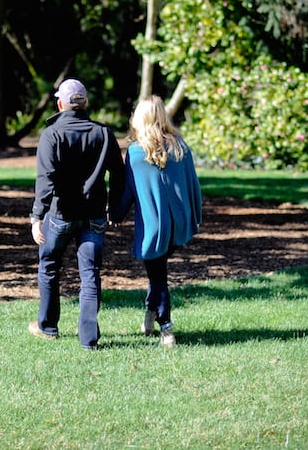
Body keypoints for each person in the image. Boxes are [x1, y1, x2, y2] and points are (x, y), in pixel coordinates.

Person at [28, 78, 125, 350]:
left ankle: (48, 327)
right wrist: (115, 210)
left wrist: (37, 217)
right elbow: (119, 175)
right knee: (90, 274)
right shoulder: (104, 133)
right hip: (94, 215)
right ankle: (89, 340)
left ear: (60, 104)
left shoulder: (51, 135)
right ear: (86, 102)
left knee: (49, 266)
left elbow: (45, 181)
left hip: (60, 215)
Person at [113, 95, 202, 348]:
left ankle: (167, 329)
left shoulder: (135, 152)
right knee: (156, 272)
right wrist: (195, 218)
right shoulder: (181, 148)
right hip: (179, 224)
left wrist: (115, 215)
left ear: (139, 118)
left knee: (158, 276)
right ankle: (149, 317)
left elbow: (129, 191)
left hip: (154, 227)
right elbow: (193, 185)